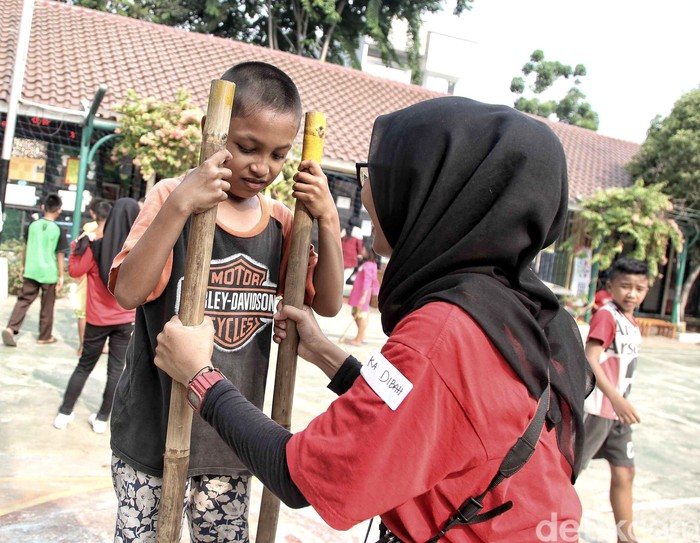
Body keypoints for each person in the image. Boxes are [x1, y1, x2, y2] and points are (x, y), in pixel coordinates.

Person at [153, 96, 594, 542]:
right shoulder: (513, 305)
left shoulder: (444, 332)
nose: (367, 194)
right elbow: (425, 413)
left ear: (434, 196)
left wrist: (198, 375)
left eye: (384, 178)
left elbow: (298, 474)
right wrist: (329, 356)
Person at [108, 61, 344, 541]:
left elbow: (331, 304)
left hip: (230, 441)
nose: (262, 167)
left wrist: (328, 221)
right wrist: (181, 205)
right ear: (213, 131)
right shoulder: (172, 196)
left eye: (279, 154)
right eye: (246, 147)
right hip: (152, 437)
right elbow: (128, 292)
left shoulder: (283, 223)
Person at [54, 198, 140, 433]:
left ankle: (65, 412)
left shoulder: (95, 246)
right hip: (126, 319)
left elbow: (74, 271)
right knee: (115, 370)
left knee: (84, 366)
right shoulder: (138, 253)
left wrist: (77, 247)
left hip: (97, 319)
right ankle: (102, 419)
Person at [580, 258, 649, 543]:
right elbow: (590, 358)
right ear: (610, 286)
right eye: (625, 286)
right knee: (567, 472)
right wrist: (615, 398)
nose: (632, 293)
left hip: (618, 416)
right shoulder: (607, 315)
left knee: (625, 473)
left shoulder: (630, 321)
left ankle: (626, 538)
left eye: (639, 288)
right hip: (598, 410)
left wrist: (620, 404)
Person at [3, 193, 69, 347]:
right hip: (49, 273)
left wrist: (23, 265)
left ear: (42, 207)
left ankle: (11, 328)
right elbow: (60, 254)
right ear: (59, 210)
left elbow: (26, 247)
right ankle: (44, 336)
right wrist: (61, 275)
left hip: (32, 269)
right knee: (47, 306)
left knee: (23, 301)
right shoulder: (58, 230)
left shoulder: (32, 226)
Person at [73, 197, 112, 355]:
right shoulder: (114, 235)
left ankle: (83, 345)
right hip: (104, 279)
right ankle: (102, 345)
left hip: (87, 278)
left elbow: (78, 261)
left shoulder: (89, 231)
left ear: (94, 214)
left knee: (83, 312)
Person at [344, 245, 380, 346]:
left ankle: (358, 339)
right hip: (362, 293)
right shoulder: (372, 264)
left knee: (360, 315)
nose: (362, 250)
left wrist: (364, 296)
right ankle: (361, 335)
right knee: (361, 314)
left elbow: (368, 281)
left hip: (361, 293)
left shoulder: (368, 265)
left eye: (364, 249)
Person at [341, 215, 364, 284]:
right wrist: (360, 254)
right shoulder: (358, 231)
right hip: (352, 258)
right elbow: (359, 246)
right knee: (344, 278)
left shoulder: (345, 230)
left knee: (341, 276)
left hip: (342, 256)